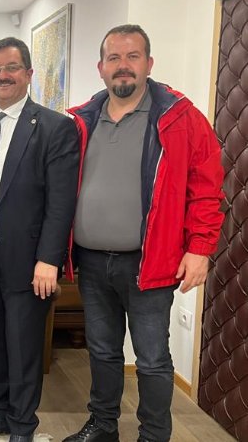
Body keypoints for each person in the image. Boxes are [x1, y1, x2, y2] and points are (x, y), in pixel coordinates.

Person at [63, 24, 224, 442]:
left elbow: (207, 188)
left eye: (132, 56)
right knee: (102, 351)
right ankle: (103, 425)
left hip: (149, 263)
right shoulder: (81, 120)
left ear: (149, 63)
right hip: (92, 261)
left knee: (151, 359)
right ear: (101, 67)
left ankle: (154, 434)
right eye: (114, 58)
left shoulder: (179, 118)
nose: (123, 65)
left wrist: (200, 249)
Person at [0, 38, 79, 442]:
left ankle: (23, 426)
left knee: (24, 347)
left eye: (10, 67)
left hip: (28, 260)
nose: (2, 76)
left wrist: (49, 259)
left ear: (28, 73)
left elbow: (61, 202)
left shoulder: (55, 127)